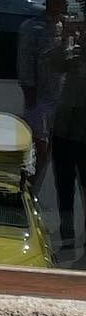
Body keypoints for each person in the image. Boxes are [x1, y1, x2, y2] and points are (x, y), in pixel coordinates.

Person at [18, 0, 72, 188]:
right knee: (36, 146)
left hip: (63, 96)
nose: (61, 1)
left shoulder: (68, 27)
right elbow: (25, 62)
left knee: (51, 148)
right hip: (40, 95)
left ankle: (35, 189)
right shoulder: (33, 28)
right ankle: (26, 186)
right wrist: (29, 91)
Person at [51, 24, 86, 248]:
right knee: (64, 182)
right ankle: (67, 229)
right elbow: (55, 64)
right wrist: (64, 39)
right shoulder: (73, 53)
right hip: (64, 125)